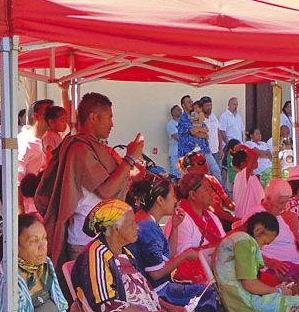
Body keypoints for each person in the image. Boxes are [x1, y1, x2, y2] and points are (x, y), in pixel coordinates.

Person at [72, 199, 209, 312]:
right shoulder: (96, 255)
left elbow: (146, 292)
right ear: (115, 228)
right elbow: (109, 307)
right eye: (131, 224)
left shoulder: (125, 252)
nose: (137, 227)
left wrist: (171, 309)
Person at [34, 92, 143, 267]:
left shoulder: (92, 146)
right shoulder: (79, 149)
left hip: (103, 239)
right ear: (93, 117)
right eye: (109, 117)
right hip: (86, 242)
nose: (112, 124)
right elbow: (106, 191)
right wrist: (129, 159)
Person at [126, 174, 216, 312]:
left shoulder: (147, 221)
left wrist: (175, 227)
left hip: (157, 287)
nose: (176, 200)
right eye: (173, 196)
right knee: (209, 294)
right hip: (158, 292)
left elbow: (168, 256)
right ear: (160, 200)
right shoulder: (147, 227)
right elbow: (156, 273)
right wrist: (185, 255)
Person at [167, 172, 225, 286]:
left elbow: (224, 242)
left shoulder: (211, 216)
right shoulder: (180, 219)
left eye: (211, 188)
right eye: (206, 188)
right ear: (193, 194)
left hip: (214, 274)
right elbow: (182, 256)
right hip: (194, 283)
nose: (212, 192)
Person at [16, 99, 55, 177]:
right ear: (36, 116)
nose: (53, 118)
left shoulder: (49, 137)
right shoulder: (24, 141)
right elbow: (18, 178)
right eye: (48, 114)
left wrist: (64, 92)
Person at [231, 144, 265, 222]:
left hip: (255, 220)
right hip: (245, 221)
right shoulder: (241, 176)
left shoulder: (253, 177)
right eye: (249, 159)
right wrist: (243, 146)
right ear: (243, 164)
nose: (254, 161)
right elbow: (255, 155)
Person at [165, 105, 181, 177]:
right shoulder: (170, 124)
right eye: (178, 110)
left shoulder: (183, 123)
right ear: (173, 113)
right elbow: (177, 137)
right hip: (175, 151)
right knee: (176, 172)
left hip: (183, 151)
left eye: (180, 109)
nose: (180, 111)